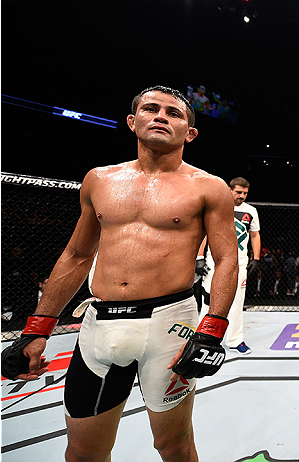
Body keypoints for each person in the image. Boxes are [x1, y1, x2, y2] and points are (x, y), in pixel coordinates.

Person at [0, 86, 239, 462]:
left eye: (173, 113)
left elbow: (226, 259)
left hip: (169, 324)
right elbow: (78, 254)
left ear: (190, 133)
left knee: (173, 446)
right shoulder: (99, 180)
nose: (160, 116)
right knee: (81, 453)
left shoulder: (209, 187)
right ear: (132, 121)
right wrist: (37, 328)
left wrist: (213, 328)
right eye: (151, 109)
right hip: (99, 325)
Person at [199, 177, 260, 355]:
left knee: (237, 300)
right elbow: (205, 233)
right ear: (230, 190)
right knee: (208, 299)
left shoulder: (251, 211)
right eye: (239, 192)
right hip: (214, 258)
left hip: (240, 260)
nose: (242, 196)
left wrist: (255, 257)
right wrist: (200, 257)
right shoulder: (218, 206)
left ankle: (235, 339)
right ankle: (202, 336)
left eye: (245, 193)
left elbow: (255, 235)